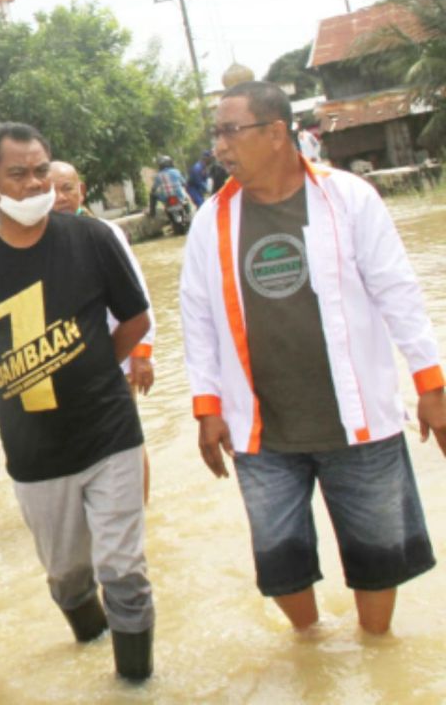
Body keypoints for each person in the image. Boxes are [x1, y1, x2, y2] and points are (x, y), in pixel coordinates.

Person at [180, 81, 446, 636]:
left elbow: (398, 291)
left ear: (276, 133)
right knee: (280, 563)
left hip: (358, 419)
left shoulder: (347, 198)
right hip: (263, 431)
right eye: (217, 134)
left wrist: (432, 384)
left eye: (231, 131)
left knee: (380, 554)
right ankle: (313, 644)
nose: (220, 147)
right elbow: (198, 319)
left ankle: (376, 648)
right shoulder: (211, 220)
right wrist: (207, 407)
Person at [0, 123, 155, 680]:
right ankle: (91, 644)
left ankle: (135, 684)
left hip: (110, 430)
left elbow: (135, 318)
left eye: (42, 170)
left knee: (124, 568)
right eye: (19, 174)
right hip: (35, 451)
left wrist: (92, 366)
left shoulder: (93, 239)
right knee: (66, 575)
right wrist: (29, 375)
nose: (35, 183)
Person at [46, 160, 156, 503]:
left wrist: (141, 355)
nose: (61, 197)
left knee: (125, 437)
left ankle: (139, 511)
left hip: (114, 356)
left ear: (82, 189)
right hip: (63, 365)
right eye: (51, 190)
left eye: (67, 188)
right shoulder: (34, 241)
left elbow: (139, 297)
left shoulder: (104, 234)